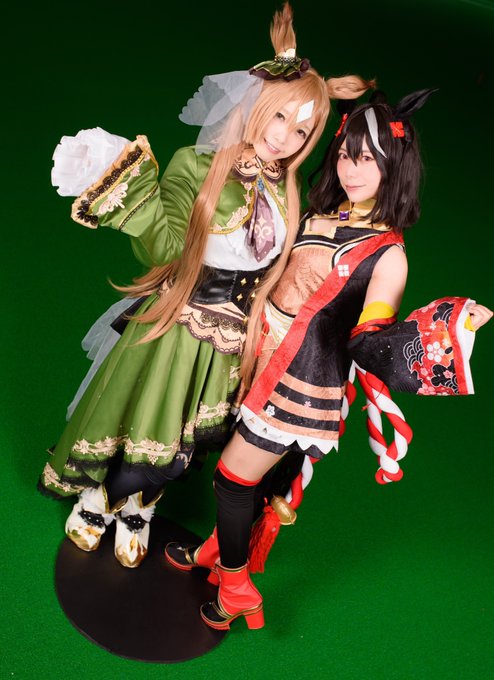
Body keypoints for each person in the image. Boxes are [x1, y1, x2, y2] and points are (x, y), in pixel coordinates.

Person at [38, 3, 372, 569]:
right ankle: (97, 500)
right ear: (255, 106)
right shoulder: (197, 164)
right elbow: (165, 249)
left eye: (301, 129)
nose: (285, 137)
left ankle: (141, 507)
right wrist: (131, 195)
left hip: (233, 342)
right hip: (178, 324)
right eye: (278, 117)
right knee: (141, 418)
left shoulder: (289, 194)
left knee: (185, 436)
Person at [165, 90, 492, 630]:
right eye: (344, 154)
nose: (350, 169)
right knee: (240, 470)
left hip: (300, 382)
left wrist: (450, 326)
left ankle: (237, 585)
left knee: (231, 479)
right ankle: (213, 551)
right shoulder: (323, 213)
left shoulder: (389, 255)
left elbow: (371, 340)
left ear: (394, 167)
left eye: (367, 159)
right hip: (257, 358)